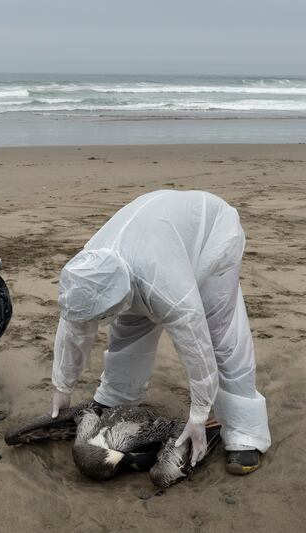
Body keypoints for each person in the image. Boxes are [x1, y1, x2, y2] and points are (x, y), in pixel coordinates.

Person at [49, 190, 271, 474]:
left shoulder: (165, 287)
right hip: (155, 236)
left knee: (220, 334)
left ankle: (244, 432)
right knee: (128, 327)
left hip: (211, 235)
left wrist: (199, 414)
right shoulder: (86, 273)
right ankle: (118, 398)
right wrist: (62, 387)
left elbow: (196, 343)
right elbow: (74, 329)